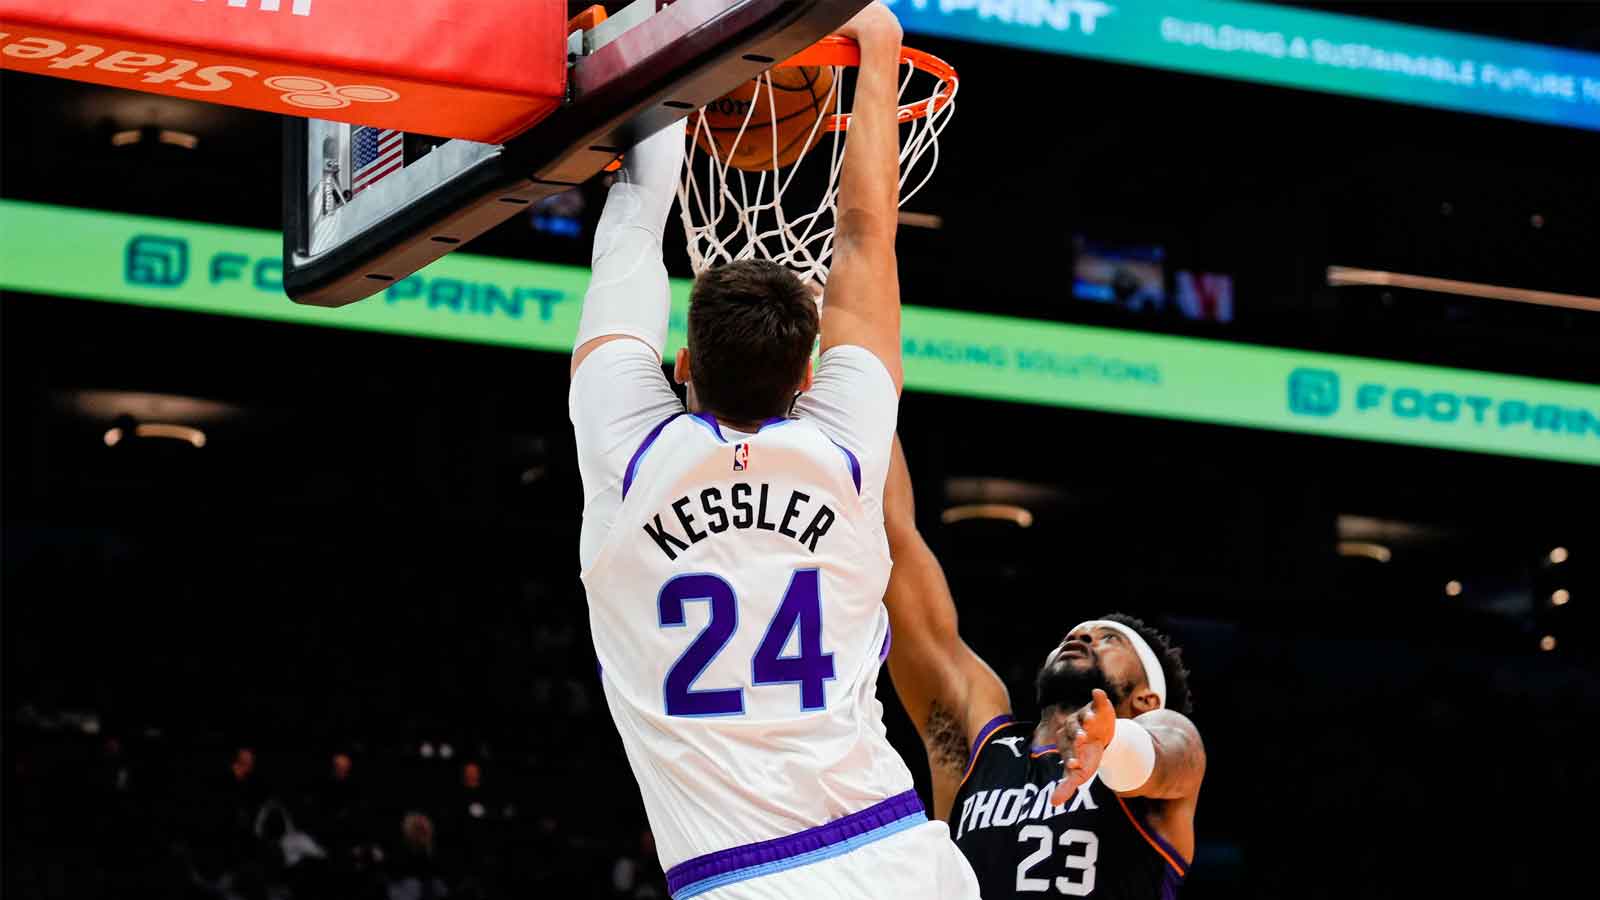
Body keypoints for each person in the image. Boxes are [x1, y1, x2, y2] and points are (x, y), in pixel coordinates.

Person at [567, 4, 978, 898]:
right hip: (900, 854)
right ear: (807, 377)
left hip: (741, 876)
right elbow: (867, 237)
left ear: (682, 366)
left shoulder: (633, 454)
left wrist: (663, 71)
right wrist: (879, 44)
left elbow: (637, 225)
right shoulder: (843, 452)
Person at [882, 439, 1204, 898]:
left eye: (1109, 639)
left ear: (1146, 701)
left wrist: (1116, 744)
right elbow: (895, 541)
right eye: (1078, 632)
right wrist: (867, 384)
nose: (1084, 636)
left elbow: (1179, 754)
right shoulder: (984, 746)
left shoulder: (1153, 776)